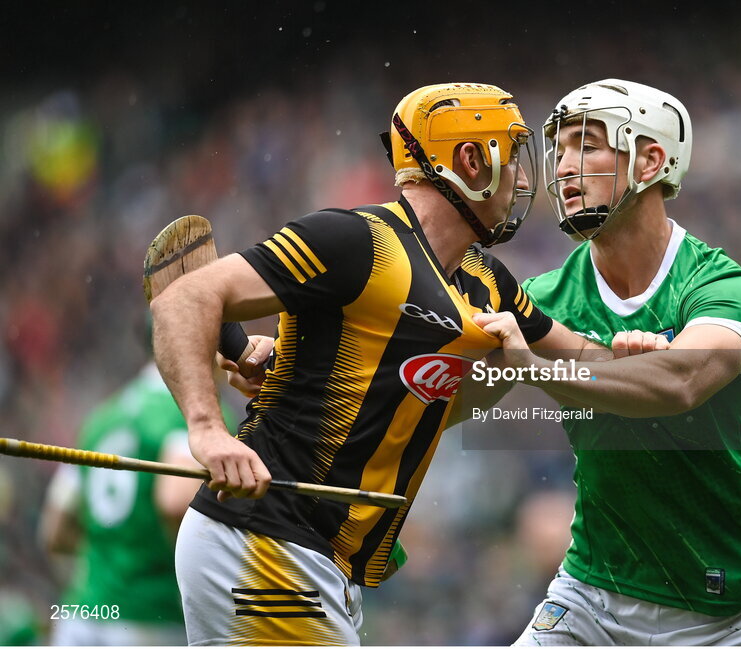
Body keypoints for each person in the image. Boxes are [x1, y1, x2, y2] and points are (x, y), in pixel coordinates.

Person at [150, 82, 623, 646]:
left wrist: (642, 350)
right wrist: (207, 431)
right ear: (470, 161)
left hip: (327, 562)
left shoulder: (489, 283)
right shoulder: (354, 241)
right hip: (264, 542)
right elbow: (182, 297)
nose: (524, 181)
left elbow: (587, 362)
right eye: (511, 156)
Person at [471, 79, 741, 645]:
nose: (566, 167)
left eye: (588, 145)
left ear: (650, 160)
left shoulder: (722, 284)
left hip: (734, 609)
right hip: (595, 593)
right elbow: (446, 399)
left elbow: (681, 381)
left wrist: (544, 370)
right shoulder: (543, 296)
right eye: (562, 148)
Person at [38, 322, 224, 646]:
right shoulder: (194, 415)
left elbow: (54, 530)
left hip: (83, 614)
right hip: (153, 619)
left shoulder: (103, 417)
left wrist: (117, 557)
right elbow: (174, 502)